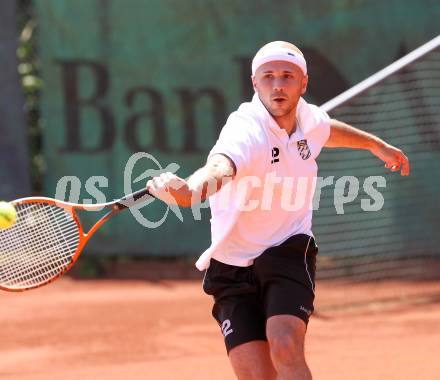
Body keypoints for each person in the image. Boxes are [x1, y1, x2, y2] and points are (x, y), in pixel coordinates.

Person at [147, 41, 410, 380]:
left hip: (287, 247)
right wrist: (190, 192)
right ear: (254, 83)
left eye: (287, 76)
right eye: (267, 76)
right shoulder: (246, 129)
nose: (277, 84)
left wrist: (376, 144)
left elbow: (327, 130)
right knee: (256, 375)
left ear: (304, 83)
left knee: (285, 344)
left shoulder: (307, 119)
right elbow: (220, 167)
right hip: (231, 264)